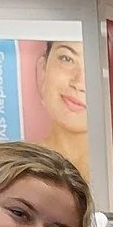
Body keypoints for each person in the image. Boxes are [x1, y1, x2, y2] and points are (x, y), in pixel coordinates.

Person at [33, 41, 89, 172]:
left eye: (94, 66)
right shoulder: (13, 167)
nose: (79, 83)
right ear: (43, 69)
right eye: (67, 59)